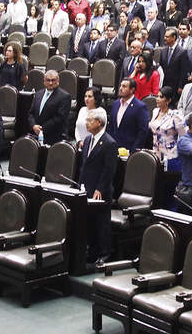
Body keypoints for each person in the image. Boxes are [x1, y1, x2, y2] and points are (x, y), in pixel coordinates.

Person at [78, 107, 119, 264]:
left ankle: (105, 254)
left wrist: (99, 189)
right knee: (89, 222)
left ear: (99, 122)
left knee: (102, 223)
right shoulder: (88, 139)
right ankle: (92, 251)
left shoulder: (109, 143)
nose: (86, 123)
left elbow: (109, 170)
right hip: (86, 186)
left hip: (101, 190)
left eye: (90, 120)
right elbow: (84, 165)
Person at [28, 69, 72, 145]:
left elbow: (59, 118)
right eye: (48, 80)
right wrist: (34, 126)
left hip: (54, 137)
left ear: (58, 81)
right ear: (44, 81)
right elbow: (31, 113)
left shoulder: (64, 96)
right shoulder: (38, 94)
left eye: (53, 80)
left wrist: (41, 129)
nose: (50, 83)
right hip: (36, 134)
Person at [148, 86, 185, 171]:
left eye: (161, 97)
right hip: (155, 153)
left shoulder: (176, 115)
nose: (157, 99)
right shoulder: (155, 111)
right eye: (157, 96)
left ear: (168, 100)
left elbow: (183, 136)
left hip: (170, 156)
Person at [110, 78, 150, 151]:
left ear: (132, 90)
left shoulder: (140, 107)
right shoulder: (116, 104)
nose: (121, 88)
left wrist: (134, 150)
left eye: (124, 86)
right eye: (121, 86)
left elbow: (143, 132)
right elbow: (111, 127)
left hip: (130, 149)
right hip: (114, 147)